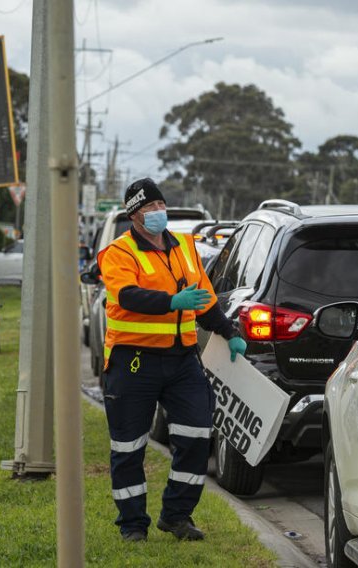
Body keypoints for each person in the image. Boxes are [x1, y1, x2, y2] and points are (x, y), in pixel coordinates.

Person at [97, 177, 247, 543]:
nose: (158, 213)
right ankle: (133, 525)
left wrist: (229, 332)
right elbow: (128, 296)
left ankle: (176, 516)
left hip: (182, 360)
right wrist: (171, 303)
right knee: (129, 446)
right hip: (133, 360)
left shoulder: (185, 246)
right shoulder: (118, 253)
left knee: (197, 435)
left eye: (160, 206)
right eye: (149, 209)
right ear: (134, 216)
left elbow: (204, 298)